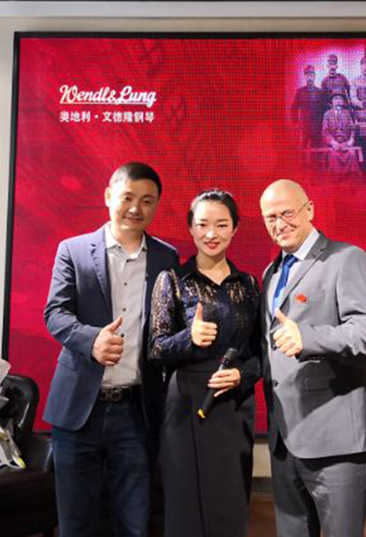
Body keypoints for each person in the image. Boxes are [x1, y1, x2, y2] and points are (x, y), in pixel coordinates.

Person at [43, 162, 179, 537]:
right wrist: (92, 340)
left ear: (156, 205)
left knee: (134, 524)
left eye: (147, 200)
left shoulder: (167, 258)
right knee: (75, 524)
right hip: (78, 410)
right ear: (108, 196)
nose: (136, 208)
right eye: (127, 197)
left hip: (136, 412)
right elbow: (55, 313)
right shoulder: (73, 251)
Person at [259, 180, 366, 537]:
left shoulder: (346, 258)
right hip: (285, 438)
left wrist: (308, 338)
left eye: (287, 213)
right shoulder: (271, 273)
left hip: (335, 437)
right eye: (270, 217)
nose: (279, 224)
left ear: (310, 209)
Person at [149, 190, 261, 537]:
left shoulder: (249, 284)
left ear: (235, 229)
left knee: (230, 499)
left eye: (221, 225)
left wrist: (241, 374)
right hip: (185, 401)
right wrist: (189, 338)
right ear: (191, 228)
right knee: (185, 502)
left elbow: (261, 353)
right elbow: (156, 349)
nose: (211, 233)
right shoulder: (171, 280)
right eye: (202, 225)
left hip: (234, 401)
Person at [322, 92, 360, 176]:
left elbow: (353, 128)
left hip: (345, 143)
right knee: (334, 155)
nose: (338, 101)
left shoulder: (347, 113)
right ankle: (336, 178)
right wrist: (332, 142)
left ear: (343, 102)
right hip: (333, 144)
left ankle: (351, 177)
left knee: (352, 153)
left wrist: (351, 140)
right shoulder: (327, 114)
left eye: (340, 99)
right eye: (336, 99)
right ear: (332, 101)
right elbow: (325, 132)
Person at [291, 65, 326, 153]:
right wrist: (296, 123)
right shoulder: (300, 92)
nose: (310, 77)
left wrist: (323, 124)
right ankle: (302, 162)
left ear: (314, 76)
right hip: (304, 127)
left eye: (311, 75)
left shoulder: (320, 92)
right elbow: (293, 108)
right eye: (307, 75)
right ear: (305, 77)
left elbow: (324, 109)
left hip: (317, 127)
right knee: (302, 151)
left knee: (317, 151)